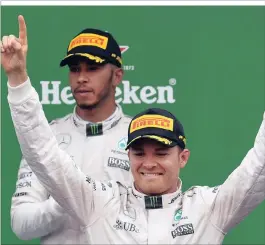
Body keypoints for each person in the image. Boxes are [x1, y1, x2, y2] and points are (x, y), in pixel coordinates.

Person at [2, 15, 265, 245]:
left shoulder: (208, 208)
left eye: (161, 152)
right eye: (139, 152)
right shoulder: (101, 203)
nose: (149, 163)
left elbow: (258, 167)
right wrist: (17, 79)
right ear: (128, 156)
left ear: (183, 157)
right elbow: (42, 152)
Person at [2, 16, 132, 244]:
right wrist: (67, 198)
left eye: (93, 68)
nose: (81, 78)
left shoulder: (139, 135)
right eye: (75, 69)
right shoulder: (46, 137)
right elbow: (21, 224)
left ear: (117, 76)